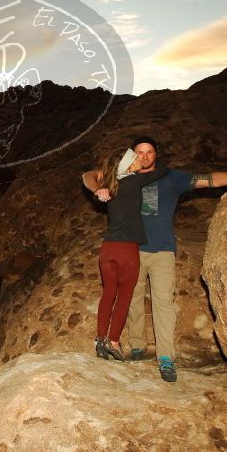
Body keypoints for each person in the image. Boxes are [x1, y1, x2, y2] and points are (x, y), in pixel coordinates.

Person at [88, 136, 227, 382]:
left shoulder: (172, 178)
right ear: (131, 156)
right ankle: (136, 347)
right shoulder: (124, 174)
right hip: (132, 248)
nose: (144, 157)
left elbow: (211, 179)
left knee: (163, 302)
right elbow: (89, 175)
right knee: (131, 299)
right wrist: (98, 188)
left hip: (163, 249)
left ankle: (166, 357)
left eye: (149, 152)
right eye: (139, 153)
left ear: (156, 154)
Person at [82, 147, 168, 361]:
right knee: (125, 297)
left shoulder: (112, 184)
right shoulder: (134, 181)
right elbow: (162, 170)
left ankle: (100, 339)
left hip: (108, 249)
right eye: (136, 157)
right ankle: (113, 341)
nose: (140, 159)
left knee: (109, 293)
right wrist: (151, 160)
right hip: (127, 249)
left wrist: (97, 189)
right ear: (128, 163)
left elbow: (87, 175)